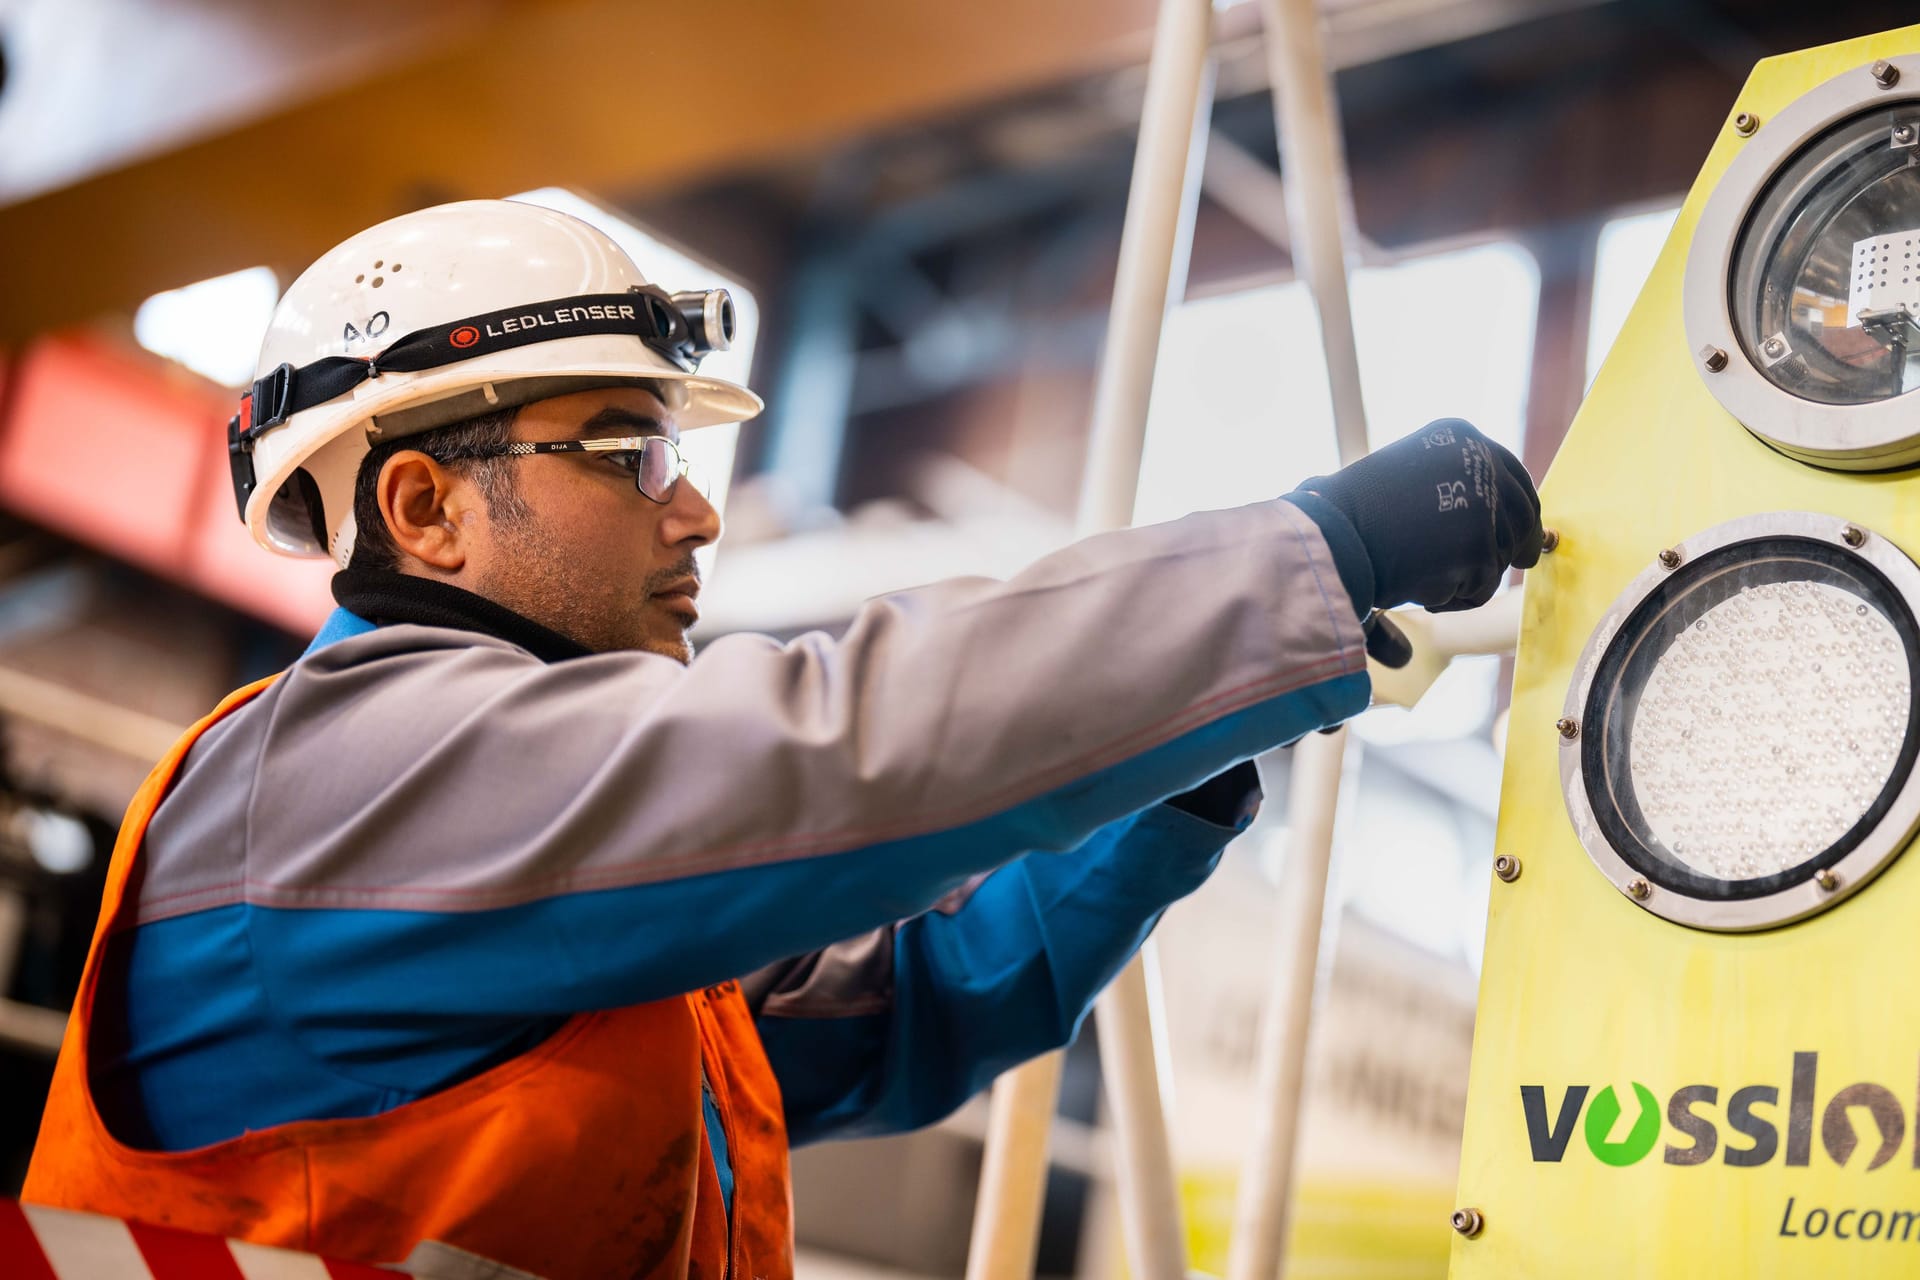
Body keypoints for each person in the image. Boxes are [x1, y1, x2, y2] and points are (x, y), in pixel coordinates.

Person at [23, 199, 1542, 1279]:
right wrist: (1315, 553)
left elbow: (908, 1011)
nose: (695, 508)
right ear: (423, 509)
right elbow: (837, 750)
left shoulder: (550, 884)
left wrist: (1173, 773)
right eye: (629, 454)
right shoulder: (347, 775)